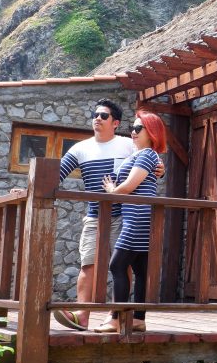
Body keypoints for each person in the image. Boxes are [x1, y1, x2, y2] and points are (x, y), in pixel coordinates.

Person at [51, 99, 164, 330]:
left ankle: (118, 316)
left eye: (103, 115)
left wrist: (161, 170)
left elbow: (151, 161)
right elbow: (55, 176)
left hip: (124, 215)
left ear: (115, 123)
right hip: (95, 216)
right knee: (88, 265)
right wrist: (28, 189)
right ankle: (83, 316)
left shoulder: (129, 144)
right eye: (95, 114)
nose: (97, 118)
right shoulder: (80, 148)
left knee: (124, 266)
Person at [93, 110, 167, 332]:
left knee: (117, 265)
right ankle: (138, 319)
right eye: (132, 129)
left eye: (138, 129)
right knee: (140, 268)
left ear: (151, 132)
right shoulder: (142, 155)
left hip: (138, 216)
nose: (133, 133)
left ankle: (116, 318)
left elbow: (129, 187)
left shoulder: (147, 155)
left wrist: (111, 190)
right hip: (139, 216)